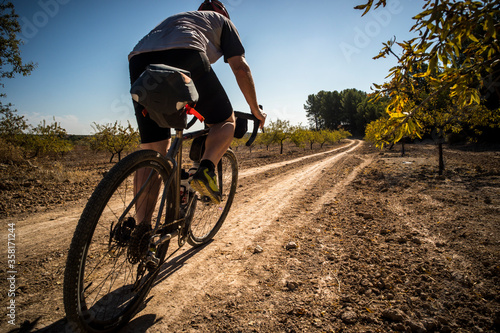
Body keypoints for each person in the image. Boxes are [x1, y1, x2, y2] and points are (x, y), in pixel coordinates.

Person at [128, 0, 265, 216]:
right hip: (186, 54)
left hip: (139, 60)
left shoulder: (178, 19)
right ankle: (206, 171)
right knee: (225, 122)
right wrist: (255, 109)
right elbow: (239, 67)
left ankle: (141, 231)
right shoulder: (224, 23)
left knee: (153, 150)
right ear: (223, 14)